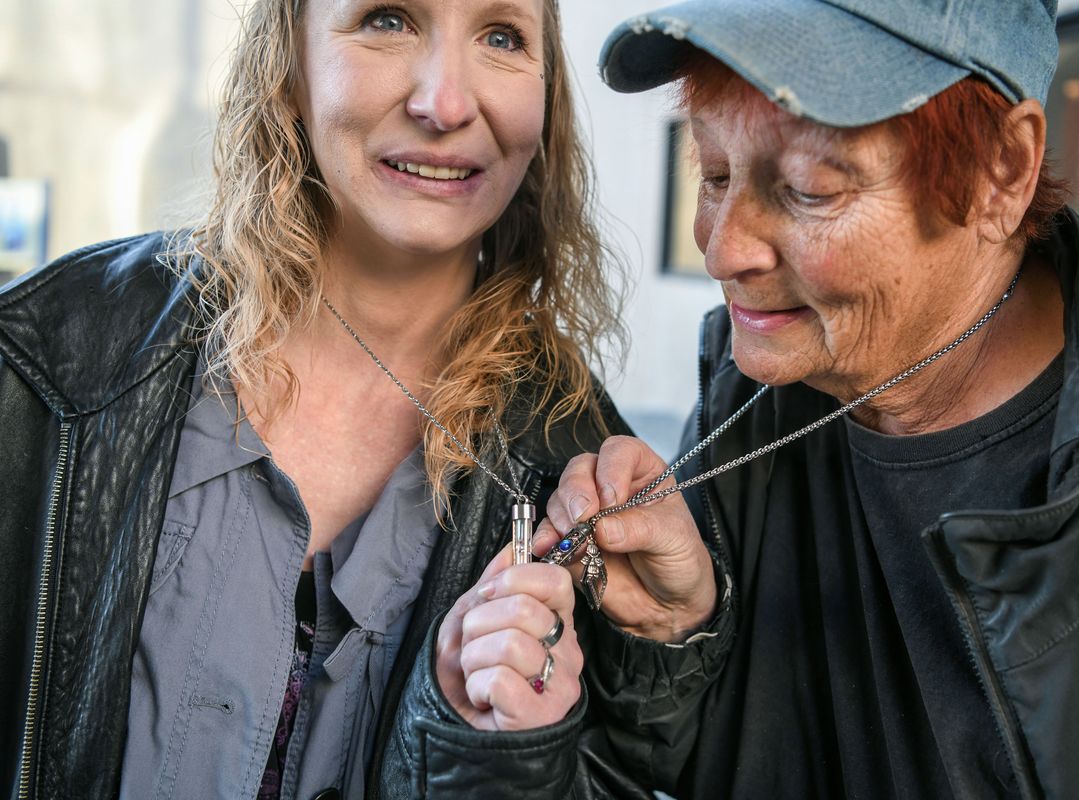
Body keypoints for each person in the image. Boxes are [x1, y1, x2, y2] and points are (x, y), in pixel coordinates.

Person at [0, 0, 664, 797]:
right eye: (387, 19)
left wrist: (505, 757)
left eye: (501, 36)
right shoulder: (45, 363)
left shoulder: (588, 484)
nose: (446, 104)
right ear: (285, 65)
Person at [538, 0, 1079, 797]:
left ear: (1003, 170)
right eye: (712, 173)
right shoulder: (758, 384)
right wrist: (679, 633)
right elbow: (703, 761)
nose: (722, 248)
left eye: (809, 189)